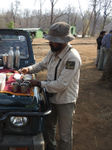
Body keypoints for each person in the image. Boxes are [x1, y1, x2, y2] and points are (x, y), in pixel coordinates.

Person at [19, 22, 82, 150]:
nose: (50, 43)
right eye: (51, 40)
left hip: (65, 101)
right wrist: (28, 69)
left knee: (65, 134)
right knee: (49, 128)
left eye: (54, 41)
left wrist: (39, 83)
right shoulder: (53, 51)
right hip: (50, 96)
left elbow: (60, 85)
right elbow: (42, 65)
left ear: (63, 41)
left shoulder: (72, 58)